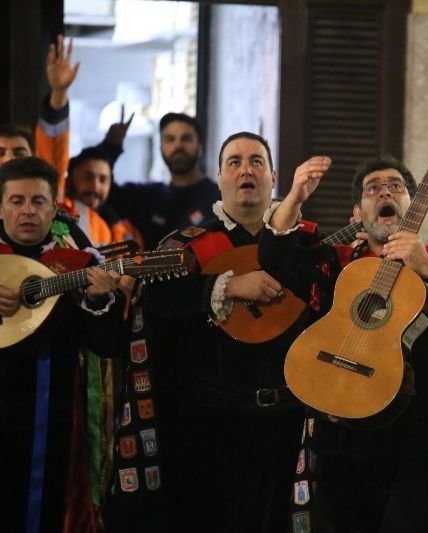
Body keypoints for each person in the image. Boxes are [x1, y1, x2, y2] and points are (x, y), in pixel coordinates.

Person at [262, 155, 428, 532]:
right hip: (343, 438)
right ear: (357, 213)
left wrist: (427, 270)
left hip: (422, 442)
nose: (385, 192)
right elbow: (275, 259)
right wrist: (295, 197)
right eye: (372, 189)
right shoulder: (335, 265)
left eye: (395, 187)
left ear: (415, 206)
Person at [112, 132, 313, 533]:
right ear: (219, 179)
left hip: (286, 424)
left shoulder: (305, 243)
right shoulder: (187, 245)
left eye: (256, 161)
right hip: (205, 428)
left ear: (274, 177)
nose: (245, 170)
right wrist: (228, 286)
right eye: (234, 162)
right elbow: (157, 301)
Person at [0, 156, 123, 533]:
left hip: (50, 415)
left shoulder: (78, 263)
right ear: (0, 208)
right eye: (17, 201)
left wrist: (99, 300)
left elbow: (108, 345)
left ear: (54, 209)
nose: (28, 210)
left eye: (38, 201)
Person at [105, 112, 220, 249]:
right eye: (170, 139)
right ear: (161, 148)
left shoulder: (220, 198)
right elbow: (102, 194)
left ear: (200, 146)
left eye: (186, 139)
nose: (178, 145)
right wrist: (111, 146)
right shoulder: (148, 198)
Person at [1, 34, 79, 197]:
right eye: (0, 153)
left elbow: (54, 147)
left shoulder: (46, 200)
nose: (9, 159)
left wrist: (59, 92)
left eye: (19, 153)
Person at [65, 146, 141, 246]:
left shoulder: (123, 228)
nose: (95, 187)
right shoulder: (57, 212)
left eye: (102, 180)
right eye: (88, 177)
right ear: (70, 179)